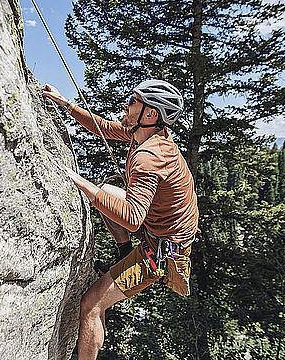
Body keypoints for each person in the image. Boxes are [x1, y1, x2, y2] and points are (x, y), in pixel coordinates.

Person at [42, 80, 199, 360]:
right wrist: (65, 103)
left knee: (90, 305)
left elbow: (131, 218)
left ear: (150, 114)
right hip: (159, 232)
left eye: (133, 100)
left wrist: (80, 183)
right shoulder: (147, 135)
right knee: (110, 192)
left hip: (162, 252)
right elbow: (102, 127)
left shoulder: (150, 156)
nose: (126, 105)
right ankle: (124, 255)